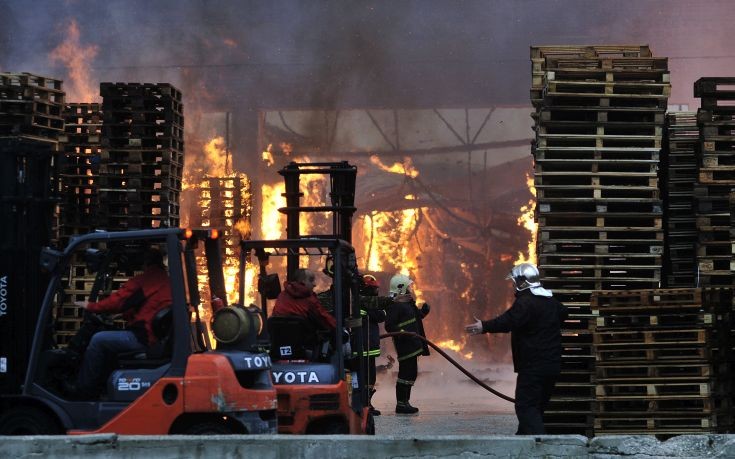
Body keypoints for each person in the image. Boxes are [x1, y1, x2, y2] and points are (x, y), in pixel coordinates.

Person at [465, 262, 568, 435]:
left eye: (515, 282)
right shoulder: (551, 301)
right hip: (552, 365)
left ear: (523, 282)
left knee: (525, 406)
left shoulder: (526, 302)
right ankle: (523, 440)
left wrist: (484, 326)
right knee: (536, 407)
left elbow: (508, 321)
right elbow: (564, 313)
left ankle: (539, 447)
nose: (513, 285)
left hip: (533, 366)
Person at [65, 247, 172, 397]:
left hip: (144, 338)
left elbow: (117, 302)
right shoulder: (164, 280)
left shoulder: (147, 279)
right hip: (153, 337)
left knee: (98, 340)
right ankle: (101, 385)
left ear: (145, 263)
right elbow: (146, 306)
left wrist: (90, 306)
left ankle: (82, 389)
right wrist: (121, 316)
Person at [384, 273, 430, 414]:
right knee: (405, 373)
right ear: (401, 288)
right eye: (408, 286)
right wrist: (402, 332)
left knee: (411, 374)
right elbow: (389, 325)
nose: (410, 288)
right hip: (405, 345)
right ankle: (401, 404)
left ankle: (406, 402)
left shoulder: (408, 303)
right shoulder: (395, 306)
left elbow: (415, 318)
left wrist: (423, 312)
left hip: (413, 344)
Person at [359, 274, 391, 416]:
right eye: (373, 289)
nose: (376, 291)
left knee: (368, 377)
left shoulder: (362, 302)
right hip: (364, 346)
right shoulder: (364, 303)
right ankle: (365, 405)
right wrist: (384, 310)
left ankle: (366, 404)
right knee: (367, 377)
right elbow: (380, 316)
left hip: (366, 346)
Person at [272, 268, 336, 334]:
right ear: (302, 282)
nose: (314, 284)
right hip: (304, 342)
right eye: (311, 280)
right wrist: (339, 328)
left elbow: (274, 316)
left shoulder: (281, 296)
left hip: (279, 340)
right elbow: (324, 318)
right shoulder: (310, 300)